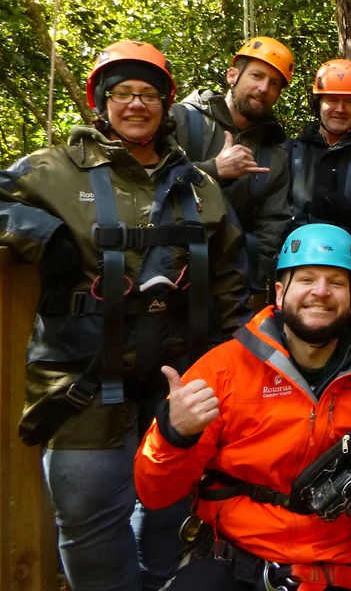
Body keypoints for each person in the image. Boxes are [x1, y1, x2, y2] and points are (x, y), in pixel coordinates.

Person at [2, 40, 249, 591]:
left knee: (168, 510)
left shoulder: (198, 183)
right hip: (81, 377)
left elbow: (232, 272)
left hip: (175, 375)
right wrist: (39, 233)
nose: (136, 105)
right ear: (101, 101)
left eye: (148, 95)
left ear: (166, 106)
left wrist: (239, 354)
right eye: (123, 94)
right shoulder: (53, 170)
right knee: (89, 521)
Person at [134, 223, 351, 591]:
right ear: (279, 292)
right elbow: (154, 493)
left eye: (336, 282)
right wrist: (173, 434)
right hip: (233, 560)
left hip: (330, 565)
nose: (320, 292)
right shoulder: (222, 370)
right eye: (306, 279)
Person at [171, 36, 294, 304]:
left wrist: (250, 283)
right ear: (232, 75)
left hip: (230, 287)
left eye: (274, 84)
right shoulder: (181, 120)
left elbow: (272, 222)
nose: (263, 88)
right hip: (166, 274)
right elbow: (144, 183)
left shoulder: (275, 152)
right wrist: (212, 170)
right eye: (257, 76)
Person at [285, 58, 351, 326]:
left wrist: (342, 207)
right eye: (332, 100)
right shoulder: (290, 152)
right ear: (318, 103)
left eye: (350, 102)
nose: (340, 109)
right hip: (298, 272)